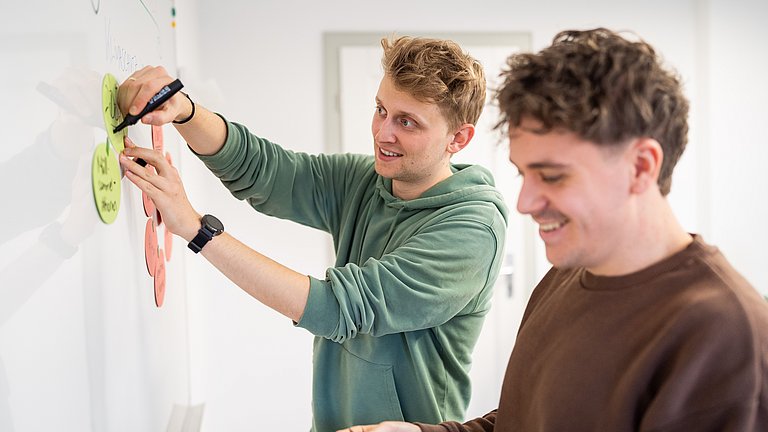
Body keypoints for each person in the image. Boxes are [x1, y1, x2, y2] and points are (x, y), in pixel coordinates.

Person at [345, 27, 768, 432]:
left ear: (640, 167)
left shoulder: (724, 336)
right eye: (524, 173)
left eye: (552, 176)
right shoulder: (565, 276)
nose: (525, 203)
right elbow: (525, 420)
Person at [117, 36, 508, 431]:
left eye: (406, 122)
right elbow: (266, 172)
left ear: (458, 138)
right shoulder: (365, 181)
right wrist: (184, 111)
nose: (382, 133)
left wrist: (196, 229)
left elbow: (338, 308)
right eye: (381, 110)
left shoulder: (473, 230)